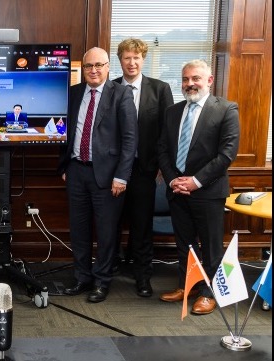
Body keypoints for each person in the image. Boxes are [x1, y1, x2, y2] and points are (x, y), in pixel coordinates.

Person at [157, 59, 239, 315]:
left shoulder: (226, 109)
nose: (190, 84)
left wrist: (195, 181)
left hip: (208, 192)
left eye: (195, 79)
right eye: (185, 79)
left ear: (209, 81)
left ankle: (209, 292)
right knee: (185, 245)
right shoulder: (173, 111)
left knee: (211, 246)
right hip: (177, 191)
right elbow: (162, 150)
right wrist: (173, 180)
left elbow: (226, 155)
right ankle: (187, 285)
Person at [57, 47, 137, 303]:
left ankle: (102, 282)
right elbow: (65, 131)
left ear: (107, 67)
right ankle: (82, 278)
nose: (93, 70)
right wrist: (66, 166)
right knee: (78, 230)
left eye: (98, 65)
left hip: (109, 176)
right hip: (77, 171)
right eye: (89, 66)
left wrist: (122, 177)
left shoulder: (121, 94)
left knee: (105, 233)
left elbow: (129, 139)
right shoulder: (74, 93)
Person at [112, 38, 174, 298]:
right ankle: (110, 269)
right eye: (127, 57)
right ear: (120, 60)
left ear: (143, 59)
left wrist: (163, 165)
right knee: (111, 222)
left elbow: (168, 131)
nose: (132, 62)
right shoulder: (110, 87)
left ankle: (142, 276)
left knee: (141, 224)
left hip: (146, 169)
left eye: (136, 57)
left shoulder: (160, 89)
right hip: (113, 170)